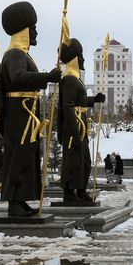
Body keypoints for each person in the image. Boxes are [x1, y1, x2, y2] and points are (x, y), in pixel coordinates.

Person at [0, 2, 62, 216]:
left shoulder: (24, 55)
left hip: (26, 112)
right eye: (31, 28)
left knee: (28, 155)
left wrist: (45, 78)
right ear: (23, 30)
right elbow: (17, 78)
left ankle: (21, 199)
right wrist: (47, 77)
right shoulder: (14, 54)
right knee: (19, 154)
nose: (35, 32)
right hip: (19, 113)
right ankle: (14, 202)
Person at [58, 38, 105, 203]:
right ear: (73, 59)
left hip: (80, 125)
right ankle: (69, 193)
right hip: (74, 127)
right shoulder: (69, 79)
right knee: (73, 160)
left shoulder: (76, 80)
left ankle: (80, 190)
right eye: (80, 56)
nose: (83, 59)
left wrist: (95, 100)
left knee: (84, 161)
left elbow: (79, 102)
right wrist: (74, 131)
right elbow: (68, 106)